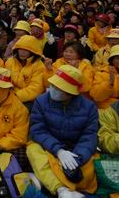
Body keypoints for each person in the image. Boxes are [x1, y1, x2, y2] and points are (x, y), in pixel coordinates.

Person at [27, 65, 99, 197]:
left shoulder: (89, 107)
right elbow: (37, 130)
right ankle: (61, 189)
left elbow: (90, 136)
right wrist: (59, 151)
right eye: (53, 86)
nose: (53, 89)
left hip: (76, 149)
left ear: (71, 93)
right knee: (33, 150)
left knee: (88, 168)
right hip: (49, 147)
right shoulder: (41, 101)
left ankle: (50, 182)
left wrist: (78, 158)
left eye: (59, 88)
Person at [5, 35, 46, 107]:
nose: (22, 52)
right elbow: (4, 79)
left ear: (32, 51)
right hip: (9, 96)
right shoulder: (10, 61)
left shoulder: (39, 66)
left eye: (26, 50)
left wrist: (16, 95)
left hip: (29, 101)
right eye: (20, 49)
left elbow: (35, 89)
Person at [90, 45, 119, 109]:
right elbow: (96, 96)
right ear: (112, 60)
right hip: (105, 110)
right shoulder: (101, 72)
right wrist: (109, 83)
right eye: (118, 58)